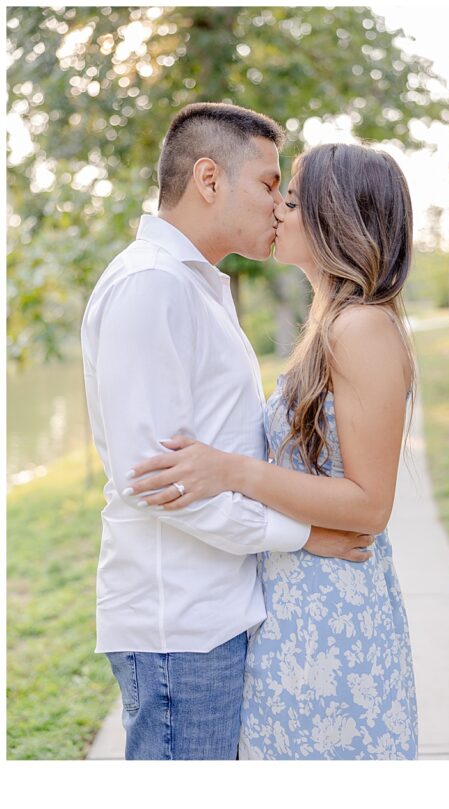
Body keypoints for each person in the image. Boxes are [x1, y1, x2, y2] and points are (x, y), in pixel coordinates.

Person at [81, 103, 370, 760]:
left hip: (213, 611)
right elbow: (157, 482)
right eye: (270, 184)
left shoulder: (197, 286)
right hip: (179, 625)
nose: (279, 206)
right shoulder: (151, 287)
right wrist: (305, 536)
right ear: (209, 179)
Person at [127, 142, 419, 759]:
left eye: (291, 198)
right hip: (296, 600)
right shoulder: (329, 322)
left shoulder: (361, 327)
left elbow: (370, 506)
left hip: (334, 612)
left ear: (333, 215)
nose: (278, 211)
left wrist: (231, 470)